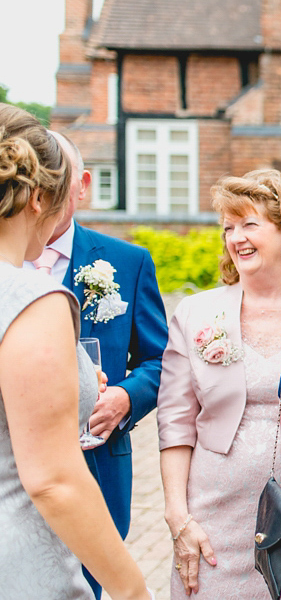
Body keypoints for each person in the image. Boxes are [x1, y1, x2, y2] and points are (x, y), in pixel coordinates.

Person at [156, 170, 281, 598]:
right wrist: (179, 517)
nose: (236, 238)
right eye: (228, 228)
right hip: (215, 516)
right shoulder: (196, 314)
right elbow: (175, 423)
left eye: (249, 224)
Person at [0, 103, 152, 599]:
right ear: (39, 199)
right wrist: (131, 590)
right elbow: (53, 481)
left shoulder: (125, 261)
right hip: (20, 558)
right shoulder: (30, 299)